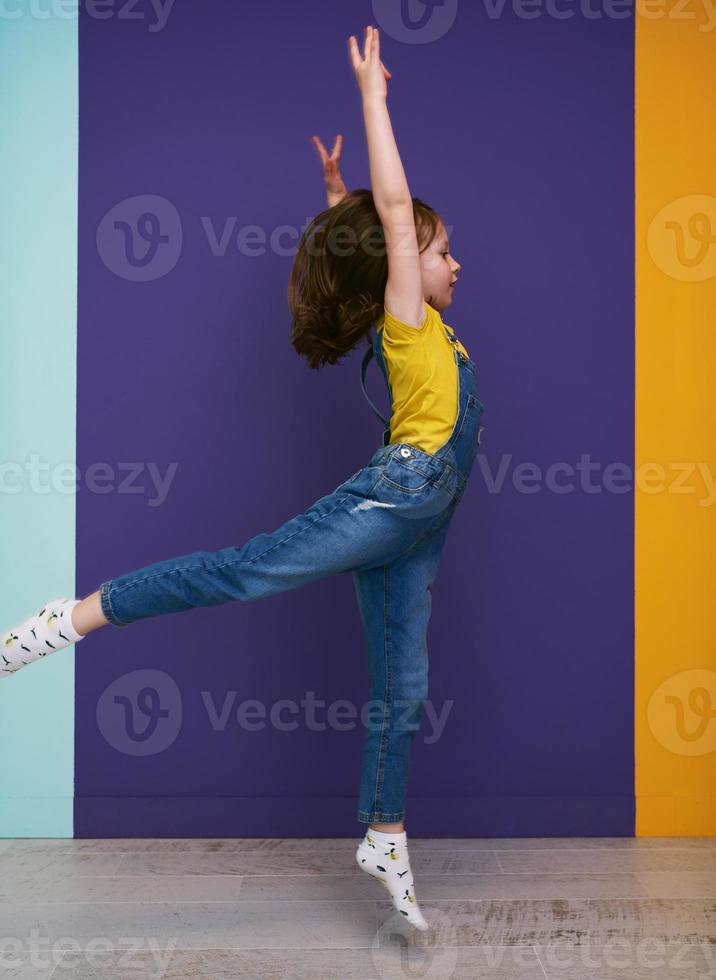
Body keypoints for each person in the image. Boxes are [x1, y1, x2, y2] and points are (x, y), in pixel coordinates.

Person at [1, 25, 484, 931]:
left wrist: (335, 195)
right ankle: (67, 620)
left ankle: (384, 834)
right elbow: (390, 218)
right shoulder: (410, 323)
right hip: (394, 497)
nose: (456, 261)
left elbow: (372, 233)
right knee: (242, 570)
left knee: (404, 686)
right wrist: (375, 101)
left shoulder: (433, 332)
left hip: (424, 523)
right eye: (442, 248)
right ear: (402, 270)